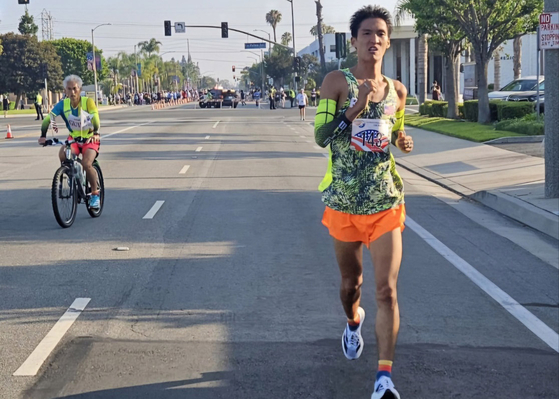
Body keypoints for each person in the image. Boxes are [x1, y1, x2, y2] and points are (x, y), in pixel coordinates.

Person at [313, 6, 414, 399]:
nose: (374, 39)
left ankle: (384, 377)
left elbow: (394, 132)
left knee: (387, 291)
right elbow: (323, 136)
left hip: (385, 201)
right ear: (354, 41)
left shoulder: (398, 91)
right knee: (350, 285)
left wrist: (401, 141)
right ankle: (353, 323)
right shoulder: (337, 81)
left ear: (388, 42)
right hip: (343, 202)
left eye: (380, 33)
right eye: (366, 33)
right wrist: (356, 105)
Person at [38, 75, 102, 209]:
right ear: (65, 90)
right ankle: (73, 174)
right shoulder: (63, 104)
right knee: (62, 155)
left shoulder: (88, 102)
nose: (72, 92)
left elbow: (95, 117)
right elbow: (49, 118)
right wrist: (43, 135)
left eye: (75, 89)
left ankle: (95, 194)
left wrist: (95, 132)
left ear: (80, 89)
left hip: (89, 139)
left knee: (86, 163)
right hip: (73, 139)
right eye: (69, 89)